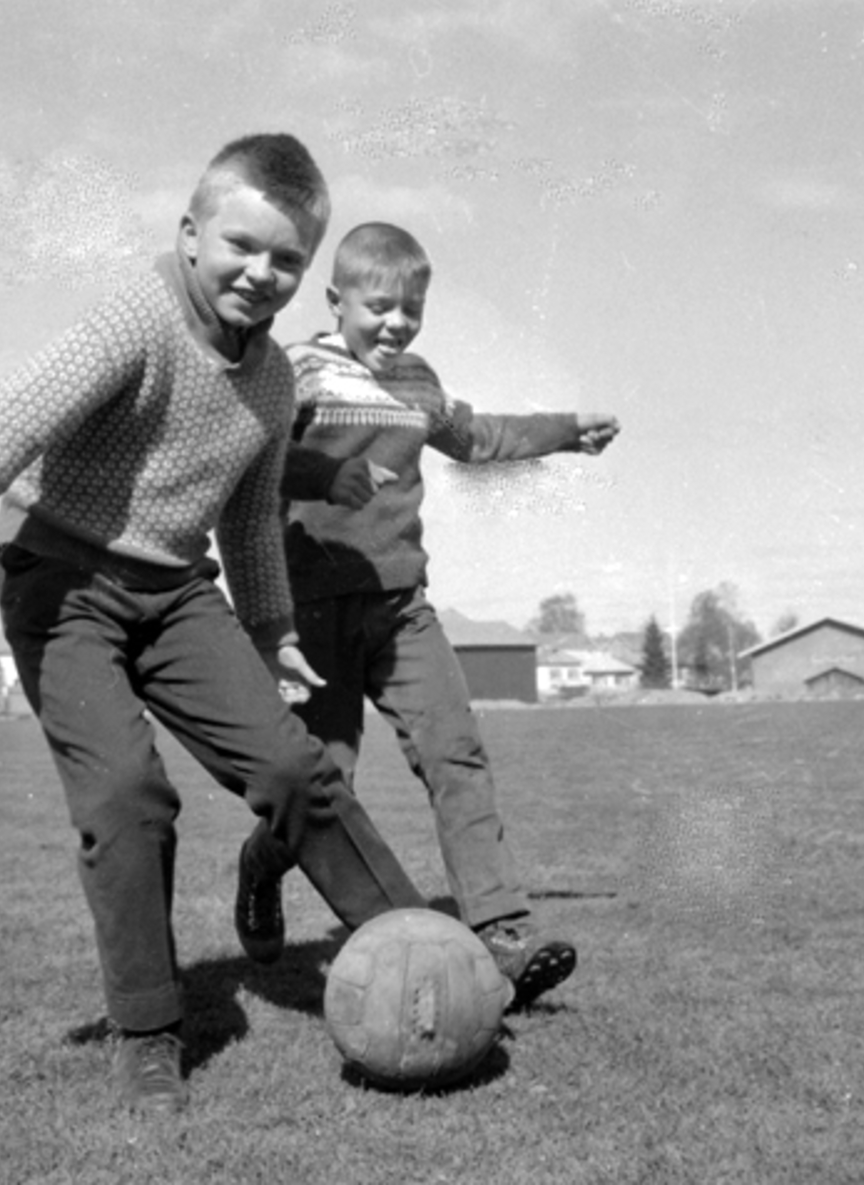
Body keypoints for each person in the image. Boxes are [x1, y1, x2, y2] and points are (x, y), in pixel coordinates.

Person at [0, 139, 426, 1115]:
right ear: (191, 232)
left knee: (293, 766)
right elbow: (8, 414)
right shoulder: (137, 319)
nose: (261, 272)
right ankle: (149, 1029)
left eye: (287, 259)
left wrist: (271, 624)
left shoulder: (275, 379)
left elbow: (245, 516)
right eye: (242, 244)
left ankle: (420, 951)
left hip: (172, 591)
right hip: (58, 578)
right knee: (125, 789)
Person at [235, 221, 620, 1009]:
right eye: (380, 307)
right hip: (311, 618)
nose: (397, 324)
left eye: (411, 310)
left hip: (402, 609)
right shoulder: (294, 372)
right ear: (336, 300)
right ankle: (259, 869)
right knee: (324, 782)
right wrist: (322, 478)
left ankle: (502, 933)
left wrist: (567, 432)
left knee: (457, 753)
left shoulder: (417, 382)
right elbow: (253, 466)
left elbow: (477, 436)